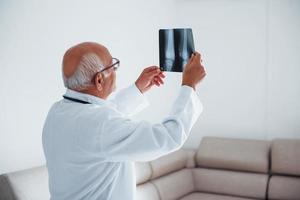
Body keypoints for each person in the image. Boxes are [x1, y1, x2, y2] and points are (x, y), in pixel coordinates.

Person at [42, 42, 206, 200]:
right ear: (99, 80)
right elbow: (169, 136)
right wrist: (189, 86)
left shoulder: (57, 112)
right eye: (112, 65)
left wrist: (138, 89)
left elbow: (100, 119)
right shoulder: (100, 124)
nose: (115, 69)